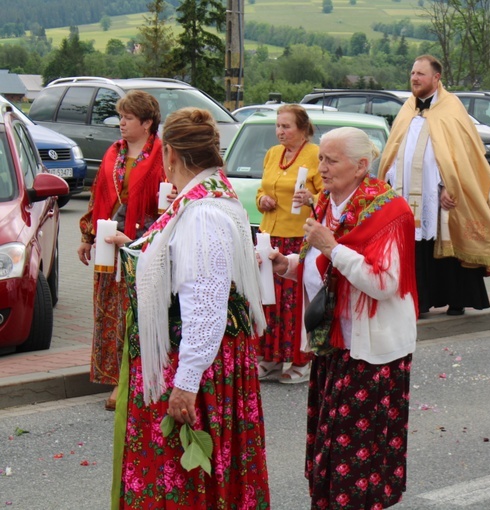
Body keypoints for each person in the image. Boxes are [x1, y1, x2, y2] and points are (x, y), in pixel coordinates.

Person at [110, 108, 270, 508]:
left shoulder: (203, 212)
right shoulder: (211, 196)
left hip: (193, 361)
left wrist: (186, 382)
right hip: (198, 357)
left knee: (183, 472)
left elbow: (206, 300)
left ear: (173, 156)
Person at [271, 127, 417, 509]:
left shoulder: (389, 209)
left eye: (331, 160)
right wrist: (285, 265)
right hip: (333, 343)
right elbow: (320, 267)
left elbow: (384, 283)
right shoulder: (326, 202)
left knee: (357, 456)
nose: (322, 167)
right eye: (321, 158)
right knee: (330, 450)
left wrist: (332, 247)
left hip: (373, 350)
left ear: (361, 166)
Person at [378, 55, 490, 318]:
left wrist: (449, 185)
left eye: (421, 74)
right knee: (414, 249)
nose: (414, 78)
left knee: (445, 245)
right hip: (406, 194)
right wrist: (388, 181)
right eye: (413, 73)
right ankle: (419, 301)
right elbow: (394, 149)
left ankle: (455, 299)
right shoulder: (407, 108)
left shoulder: (451, 108)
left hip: (439, 195)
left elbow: (464, 154)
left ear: (436, 78)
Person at [76, 90, 165, 411]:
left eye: (128, 118)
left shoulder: (162, 157)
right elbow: (96, 193)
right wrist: (87, 235)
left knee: (136, 315)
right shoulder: (113, 152)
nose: (121, 123)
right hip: (107, 245)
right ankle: (117, 379)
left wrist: (138, 236)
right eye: (121, 117)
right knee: (109, 314)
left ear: (147, 122)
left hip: (140, 247)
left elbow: (166, 205)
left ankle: (135, 379)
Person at [256, 104, 322, 383]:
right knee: (267, 301)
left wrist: (310, 199)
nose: (280, 131)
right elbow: (262, 188)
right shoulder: (273, 154)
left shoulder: (316, 155)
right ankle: (270, 358)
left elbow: (327, 197)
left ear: (303, 128)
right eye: (278, 126)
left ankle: (300, 360)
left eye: (286, 126)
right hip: (270, 235)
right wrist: (262, 200)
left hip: (297, 237)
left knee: (292, 304)